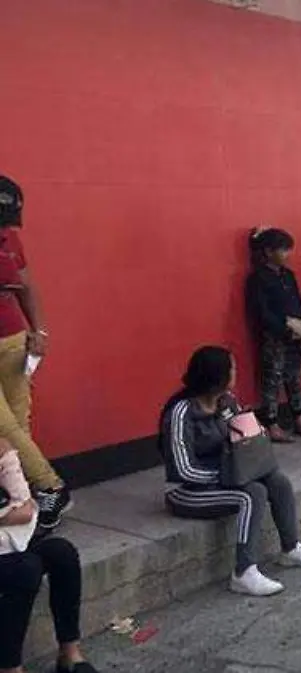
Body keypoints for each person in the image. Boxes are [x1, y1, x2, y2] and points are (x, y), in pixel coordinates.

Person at [160, 346, 301, 597]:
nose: (235, 373)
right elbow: (182, 470)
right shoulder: (181, 412)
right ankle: (243, 572)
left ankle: (291, 548)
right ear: (217, 376)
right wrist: (230, 475)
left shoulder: (226, 402)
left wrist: (253, 436)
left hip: (226, 475)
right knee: (252, 494)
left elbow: (242, 438)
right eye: (232, 369)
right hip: (187, 490)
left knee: (277, 481)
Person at [0, 176, 70, 532]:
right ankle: (51, 486)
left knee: (17, 420)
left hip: (13, 340)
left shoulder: (9, 239)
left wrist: (39, 330)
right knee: (4, 424)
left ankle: (22, 493)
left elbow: (25, 286)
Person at [0, 445, 99, 673]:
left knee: (62, 552)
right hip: (11, 547)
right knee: (25, 569)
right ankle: (9, 668)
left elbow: (26, 511)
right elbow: (19, 511)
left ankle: (69, 655)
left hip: (11, 543)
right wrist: (10, 514)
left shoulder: (3, 453)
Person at [246, 228, 301, 443]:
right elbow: (261, 310)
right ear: (268, 252)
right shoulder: (258, 278)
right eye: (283, 250)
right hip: (275, 335)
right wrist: (282, 328)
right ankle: (272, 424)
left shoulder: (288, 275)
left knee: (294, 378)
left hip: (295, 333)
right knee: (272, 379)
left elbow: (298, 299)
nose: (288, 254)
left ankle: (299, 419)